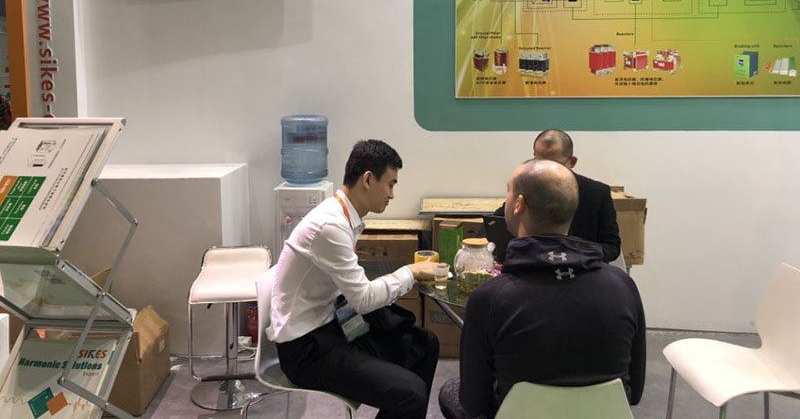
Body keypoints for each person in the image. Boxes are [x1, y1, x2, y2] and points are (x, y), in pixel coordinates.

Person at [440, 160, 646, 419]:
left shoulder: (490, 298)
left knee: (450, 390)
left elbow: (475, 404)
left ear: (519, 204)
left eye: (508, 192)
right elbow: (634, 393)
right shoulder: (623, 287)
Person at [268, 139, 442, 419]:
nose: (392, 195)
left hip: (331, 325)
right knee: (411, 393)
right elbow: (363, 299)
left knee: (425, 345)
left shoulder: (343, 217)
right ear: (368, 180)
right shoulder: (331, 226)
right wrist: (410, 272)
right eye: (390, 184)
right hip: (305, 348)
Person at [493, 129, 621, 262]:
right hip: (532, 267)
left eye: (554, 165)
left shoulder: (597, 193)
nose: (547, 171)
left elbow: (611, 247)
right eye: (540, 163)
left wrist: (573, 254)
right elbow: (494, 226)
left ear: (572, 161)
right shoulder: (526, 188)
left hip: (584, 269)